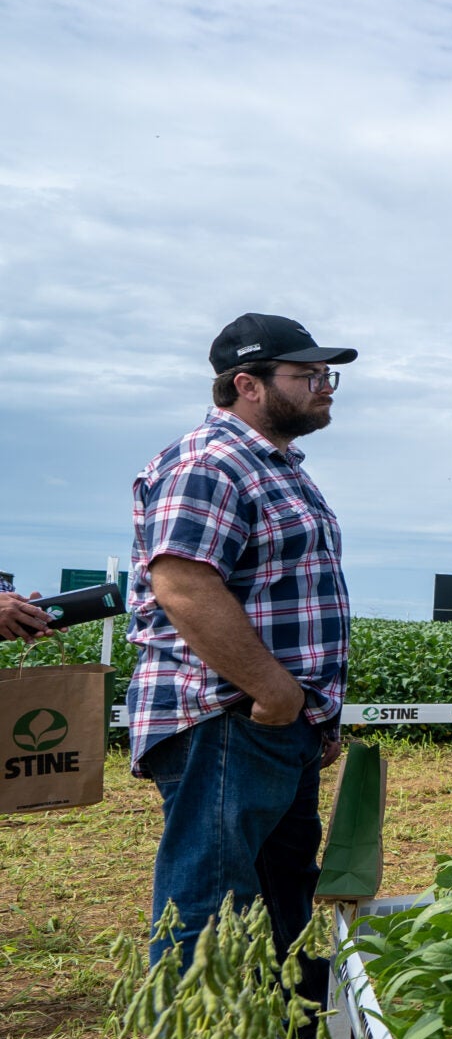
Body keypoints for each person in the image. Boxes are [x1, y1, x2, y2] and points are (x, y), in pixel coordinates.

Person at [126, 312, 356, 991]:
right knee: (210, 894)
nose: (325, 385)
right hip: (226, 716)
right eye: (308, 374)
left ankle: (271, 1027)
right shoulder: (210, 461)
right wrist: (275, 689)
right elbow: (184, 584)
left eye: (326, 374)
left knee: (280, 887)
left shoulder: (276, 466)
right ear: (248, 384)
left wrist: (312, 714)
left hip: (274, 721)